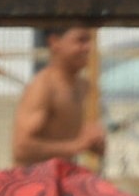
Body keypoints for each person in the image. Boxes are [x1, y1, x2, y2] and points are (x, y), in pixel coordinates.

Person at [11, 26, 105, 168]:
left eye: (89, 41)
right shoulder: (43, 86)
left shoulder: (84, 87)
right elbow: (21, 149)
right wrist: (75, 146)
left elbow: (83, 139)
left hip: (64, 177)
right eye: (80, 40)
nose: (88, 48)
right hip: (33, 182)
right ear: (55, 42)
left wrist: (96, 144)